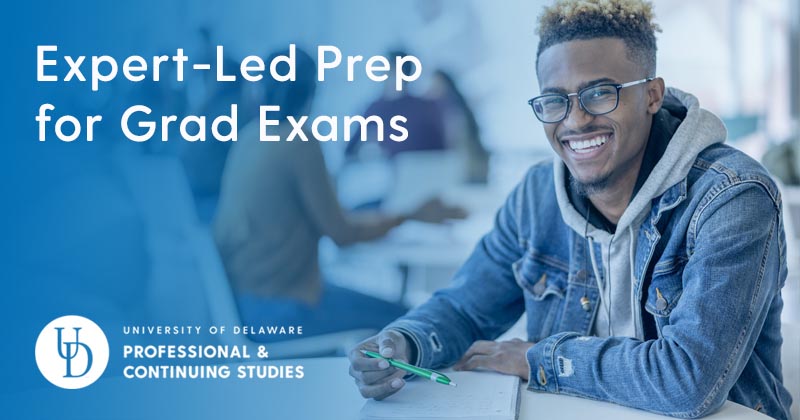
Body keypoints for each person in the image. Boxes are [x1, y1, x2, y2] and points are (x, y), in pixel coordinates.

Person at [348, 1, 793, 419]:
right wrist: (405, 343)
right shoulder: (536, 196)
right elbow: (466, 309)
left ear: (652, 95)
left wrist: (537, 358)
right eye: (555, 101)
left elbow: (689, 381)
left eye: (600, 94)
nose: (575, 121)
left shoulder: (732, 198)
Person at [213, 48, 465, 342]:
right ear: (312, 91)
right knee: (413, 319)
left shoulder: (249, 136)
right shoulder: (300, 141)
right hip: (285, 309)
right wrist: (411, 215)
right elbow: (342, 233)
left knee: (399, 311)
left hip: (246, 303)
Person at [345, 50, 446, 158]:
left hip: (421, 169)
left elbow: (350, 151)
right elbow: (350, 150)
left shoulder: (378, 108)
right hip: (413, 170)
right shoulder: (427, 106)